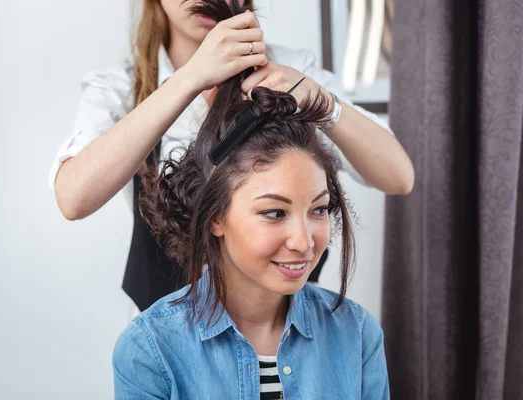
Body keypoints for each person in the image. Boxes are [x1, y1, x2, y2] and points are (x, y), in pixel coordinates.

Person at [49, 0, 414, 312]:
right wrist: (190, 78)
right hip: (169, 347)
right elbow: (73, 197)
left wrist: (321, 102)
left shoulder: (293, 70)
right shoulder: (120, 88)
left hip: (288, 338)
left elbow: (399, 175)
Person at [112, 46, 389, 397]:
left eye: (318, 209)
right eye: (274, 213)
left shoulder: (358, 334)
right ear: (215, 216)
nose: (304, 243)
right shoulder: (149, 351)